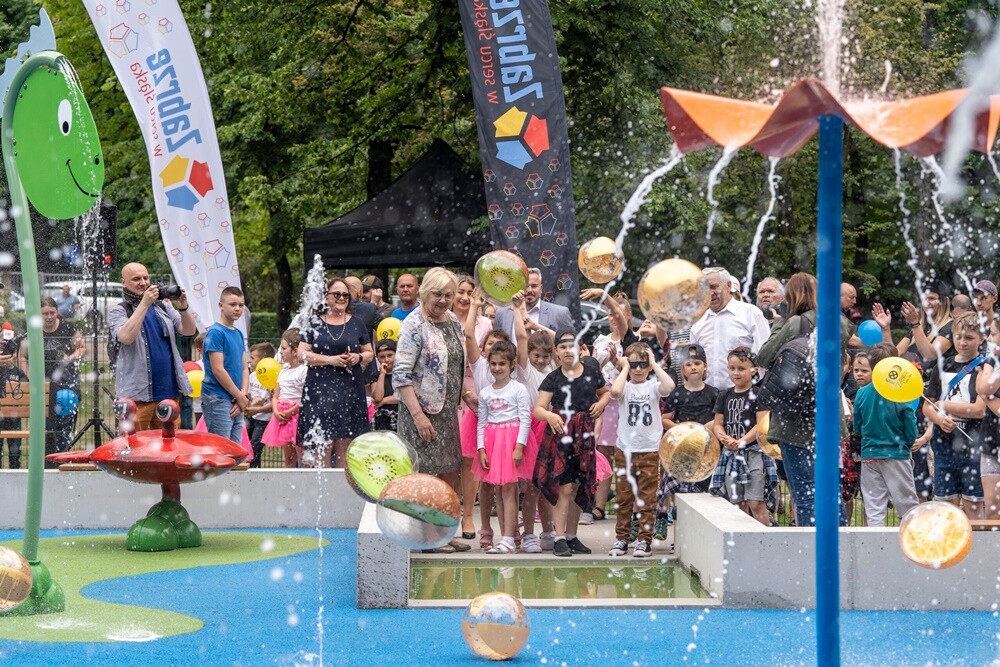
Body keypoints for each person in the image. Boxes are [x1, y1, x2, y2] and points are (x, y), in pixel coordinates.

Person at [392, 267, 471, 553]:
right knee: (424, 478)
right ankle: (423, 537)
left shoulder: (451, 320)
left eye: (448, 295)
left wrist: (465, 393)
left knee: (450, 472)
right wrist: (418, 416)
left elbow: (453, 364)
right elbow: (400, 375)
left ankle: (444, 533)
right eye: (438, 294)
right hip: (421, 413)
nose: (444, 300)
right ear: (425, 292)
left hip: (448, 411)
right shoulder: (414, 325)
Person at [533, 329, 610, 557]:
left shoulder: (592, 373)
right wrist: (550, 416)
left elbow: (606, 393)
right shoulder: (553, 378)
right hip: (561, 433)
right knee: (564, 486)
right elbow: (538, 408)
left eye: (572, 345)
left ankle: (572, 536)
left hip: (583, 433)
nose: (568, 350)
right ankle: (558, 537)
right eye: (563, 346)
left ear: (580, 349)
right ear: (556, 352)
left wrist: (601, 404)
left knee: (578, 485)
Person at [109, 263, 195, 430]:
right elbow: (126, 337)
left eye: (145, 277)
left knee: (168, 449)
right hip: (136, 397)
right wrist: (144, 303)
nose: (143, 282)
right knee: (135, 449)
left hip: (167, 394)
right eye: (136, 279)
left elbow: (188, 330)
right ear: (123, 282)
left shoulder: (163, 306)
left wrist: (183, 307)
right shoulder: (119, 311)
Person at [298, 277, 373, 467]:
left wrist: (359, 357)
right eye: (336, 294)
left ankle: (341, 493)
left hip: (349, 390)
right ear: (326, 296)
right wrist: (330, 360)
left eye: (345, 295)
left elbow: (369, 352)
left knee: (345, 449)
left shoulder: (357, 323)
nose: (341, 298)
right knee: (322, 447)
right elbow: (301, 354)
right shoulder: (313, 322)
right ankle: (321, 494)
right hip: (320, 392)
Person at [609, 342, 674, 557]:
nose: (638, 369)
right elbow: (615, 391)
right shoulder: (625, 386)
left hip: (649, 450)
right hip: (625, 449)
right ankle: (621, 538)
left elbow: (670, 386)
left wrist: (654, 364)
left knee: (647, 498)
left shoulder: (653, 386)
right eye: (634, 364)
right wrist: (624, 368)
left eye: (642, 365)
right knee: (624, 497)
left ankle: (644, 540)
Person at [923, 311, 987, 520]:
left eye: (969, 337)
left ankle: (979, 550)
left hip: (974, 446)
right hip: (944, 445)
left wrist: (943, 405)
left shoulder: (985, 368)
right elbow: (927, 405)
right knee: (945, 506)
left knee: (974, 505)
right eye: (958, 337)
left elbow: (979, 409)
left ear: (981, 338)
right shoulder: (942, 366)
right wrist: (939, 418)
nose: (963, 342)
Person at [472, 340, 533, 555]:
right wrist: (481, 449)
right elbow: (482, 421)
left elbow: (525, 419)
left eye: (502, 364)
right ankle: (506, 536)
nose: (497, 368)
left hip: (511, 440)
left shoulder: (519, 389)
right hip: (492, 442)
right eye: (493, 364)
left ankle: (508, 537)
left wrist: (519, 446)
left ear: (512, 365)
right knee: (498, 489)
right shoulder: (486, 393)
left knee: (509, 489)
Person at [853, 342, 920, 526]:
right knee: (906, 505)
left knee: (874, 507)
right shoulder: (899, 393)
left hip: (869, 455)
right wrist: (906, 443)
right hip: (896, 454)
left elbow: (857, 426)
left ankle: (875, 548)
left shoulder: (862, 393)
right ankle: (909, 544)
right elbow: (910, 426)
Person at [657, 343, 720, 535]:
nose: (693, 367)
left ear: (705, 367)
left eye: (698, 363)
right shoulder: (677, 393)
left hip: (705, 450)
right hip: (680, 451)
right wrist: (683, 432)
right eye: (689, 364)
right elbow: (665, 419)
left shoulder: (714, 393)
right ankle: (668, 523)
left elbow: (718, 419)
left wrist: (698, 432)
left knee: (701, 493)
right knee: (677, 492)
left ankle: (700, 533)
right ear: (682, 369)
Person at [708, 347, 774, 526]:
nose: (736, 373)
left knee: (756, 501)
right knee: (738, 502)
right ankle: (743, 538)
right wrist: (723, 437)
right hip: (731, 455)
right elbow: (718, 422)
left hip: (753, 453)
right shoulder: (724, 395)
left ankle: (765, 539)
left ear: (754, 370)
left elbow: (761, 425)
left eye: (741, 368)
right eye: (732, 368)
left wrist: (742, 441)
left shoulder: (760, 394)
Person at [690, 267, 770, 389]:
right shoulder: (698, 322)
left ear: (728, 286)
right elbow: (693, 363)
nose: (710, 292)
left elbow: (766, 356)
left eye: (714, 287)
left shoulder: (751, 314)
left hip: (745, 395)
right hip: (708, 398)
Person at [39, 296, 85, 460]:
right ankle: (45, 456)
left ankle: (62, 455)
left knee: (64, 421)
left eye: (52, 313)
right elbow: (22, 356)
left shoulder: (68, 328)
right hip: (43, 381)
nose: (49, 317)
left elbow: (82, 349)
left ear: (57, 312)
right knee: (46, 422)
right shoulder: (34, 330)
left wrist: (69, 358)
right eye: (45, 314)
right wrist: (31, 377)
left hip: (66, 381)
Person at [201, 287, 249, 444]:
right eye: (233, 304)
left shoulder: (238, 333)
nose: (237, 308)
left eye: (241, 305)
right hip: (217, 397)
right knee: (222, 449)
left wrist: (243, 394)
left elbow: (244, 368)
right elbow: (218, 370)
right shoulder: (215, 332)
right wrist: (239, 396)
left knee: (235, 450)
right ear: (220, 305)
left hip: (235, 398)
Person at [263, 328, 308, 468]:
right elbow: (276, 395)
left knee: (303, 458)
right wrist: (276, 411)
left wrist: (290, 412)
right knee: (288, 458)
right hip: (282, 417)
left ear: (295, 351)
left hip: (297, 416)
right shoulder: (283, 371)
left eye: (284, 348)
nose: (280, 352)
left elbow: (306, 397)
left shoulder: (304, 370)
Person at [496, 268, 574, 344]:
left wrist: (535, 327)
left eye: (534, 286)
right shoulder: (502, 314)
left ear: (541, 288)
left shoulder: (560, 313)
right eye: (525, 286)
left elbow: (572, 343)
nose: (529, 290)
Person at [245, 341, 276, 467]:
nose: (250, 361)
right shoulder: (252, 376)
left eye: (252, 358)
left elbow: (273, 404)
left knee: (255, 446)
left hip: (264, 420)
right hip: (251, 417)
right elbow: (249, 396)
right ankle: (252, 467)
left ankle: (253, 470)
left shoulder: (273, 377)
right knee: (247, 446)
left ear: (263, 360)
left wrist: (257, 410)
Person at [370, 340, 399, 431]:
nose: (386, 360)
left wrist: (384, 401)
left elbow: (404, 397)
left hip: (398, 417)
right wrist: (382, 374)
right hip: (382, 420)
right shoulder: (376, 375)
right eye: (382, 357)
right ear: (377, 359)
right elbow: (377, 398)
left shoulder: (401, 374)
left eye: (390, 355)